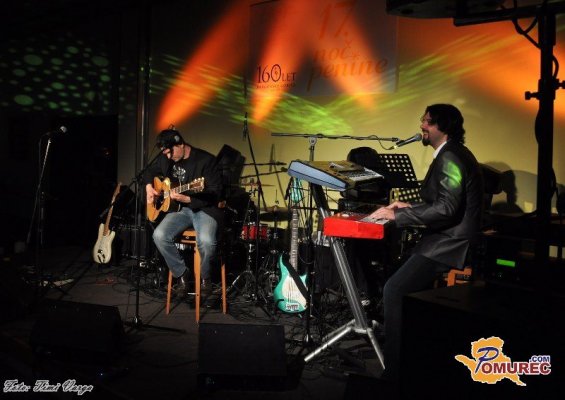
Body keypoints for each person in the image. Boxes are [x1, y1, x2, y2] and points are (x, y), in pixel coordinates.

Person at [368, 104, 484, 384]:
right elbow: (444, 202)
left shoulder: (450, 156)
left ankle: (395, 372)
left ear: (443, 127)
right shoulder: (453, 152)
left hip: (451, 242)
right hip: (446, 237)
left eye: (427, 121)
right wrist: (409, 206)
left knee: (395, 289)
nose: (422, 125)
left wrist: (397, 216)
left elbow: (446, 209)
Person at [144, 128, 223, 296]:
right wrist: (149, 187)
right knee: (159, 235)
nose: (168, 157)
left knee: (207, 241)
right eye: (165, 153)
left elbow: (216, 193)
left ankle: (205, 278)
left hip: (204, 209)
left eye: (170, 152)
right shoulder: (166, 159)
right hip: (180, 210)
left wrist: (188, 199)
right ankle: (181, 273)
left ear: (180, 144)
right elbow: (148, 171)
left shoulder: (206, 160)